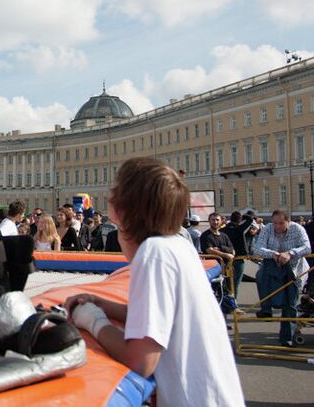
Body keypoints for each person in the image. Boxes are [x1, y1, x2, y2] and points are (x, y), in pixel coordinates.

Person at [65, 157, 244, 406]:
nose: (109, 195)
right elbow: (158, 318)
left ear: (124, 208)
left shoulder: (155, 253)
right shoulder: (178, 247)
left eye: (115, 190)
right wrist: (100, 303)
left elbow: (142, 361)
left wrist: (92, 320)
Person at [253, 209, 311, 346]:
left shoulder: (298, 229)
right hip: (274, 267)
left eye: (281, 223)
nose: (277, 226)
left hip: (295, 269)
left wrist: (290, 253)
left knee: (290, 304)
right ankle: (266, 309)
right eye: (275, 223)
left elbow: (307, 247)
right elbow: (257, 248)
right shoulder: (268, 229)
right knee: (260, 275)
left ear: (288, 222)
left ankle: (286, 338)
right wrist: (274, 254)